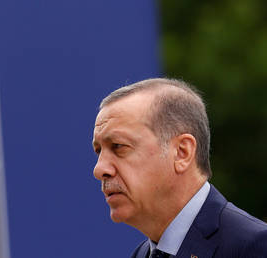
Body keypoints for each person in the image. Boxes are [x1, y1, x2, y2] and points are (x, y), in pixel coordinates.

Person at [92, 78, 267, 258]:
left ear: (182, 152)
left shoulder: (254, 247)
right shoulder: (141, 253)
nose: (99, 170)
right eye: (98, 151)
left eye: (118, 146)